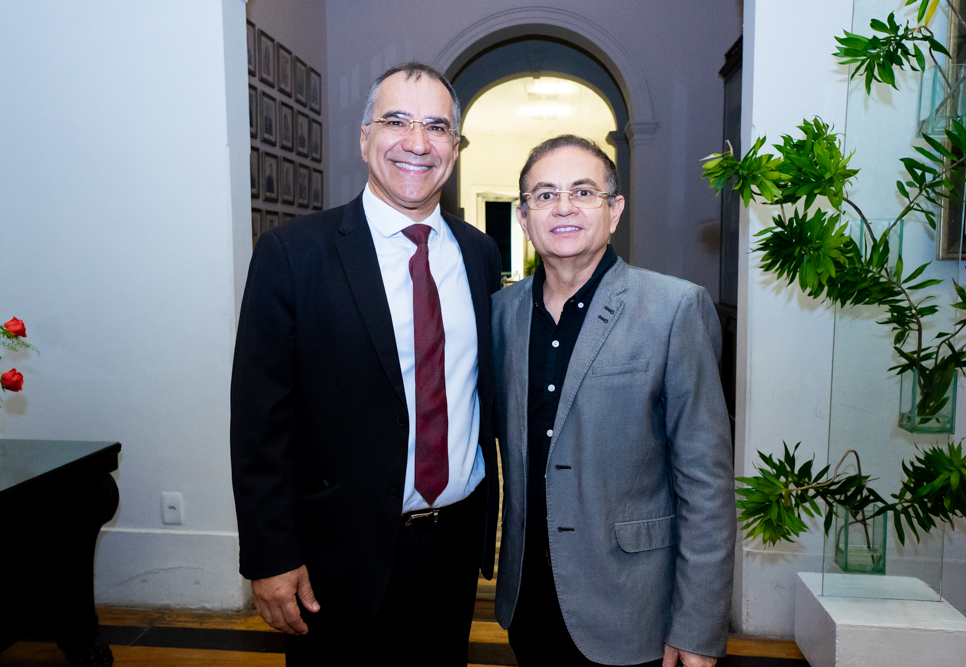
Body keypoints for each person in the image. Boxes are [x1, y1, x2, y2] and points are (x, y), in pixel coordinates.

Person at [230, 63, 502, 665]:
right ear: (364, 138)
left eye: (437, 127)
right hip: (336, 556)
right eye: (396, 121)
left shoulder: (480, 254)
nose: (417, 142)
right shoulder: (291, 255)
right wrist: (271, 556)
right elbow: (258, 424)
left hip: (454, 549)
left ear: (455, 147)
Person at [492, 135, 735, 667]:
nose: (564, 207)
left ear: (615, 209)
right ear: (524, 217)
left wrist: (697, 627)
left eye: (583, 192)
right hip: (528, 602)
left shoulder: (674, 309)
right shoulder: (499, 314)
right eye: (545, 195)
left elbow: (706, 483)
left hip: (634, 609)